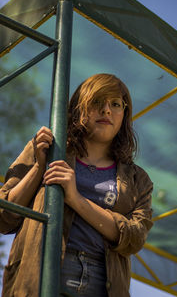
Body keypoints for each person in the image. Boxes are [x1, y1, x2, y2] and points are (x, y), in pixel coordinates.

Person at [0, 73, 153, 297]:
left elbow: (135, 238)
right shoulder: (48, 148)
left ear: (125, 114)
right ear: (79, 108)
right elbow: (3, 216)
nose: (106, 110)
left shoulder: (138, 180)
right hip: (41, 271)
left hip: (104, 283)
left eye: (115, 104)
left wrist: (75, 198)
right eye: (97, 102)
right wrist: (38, 168)